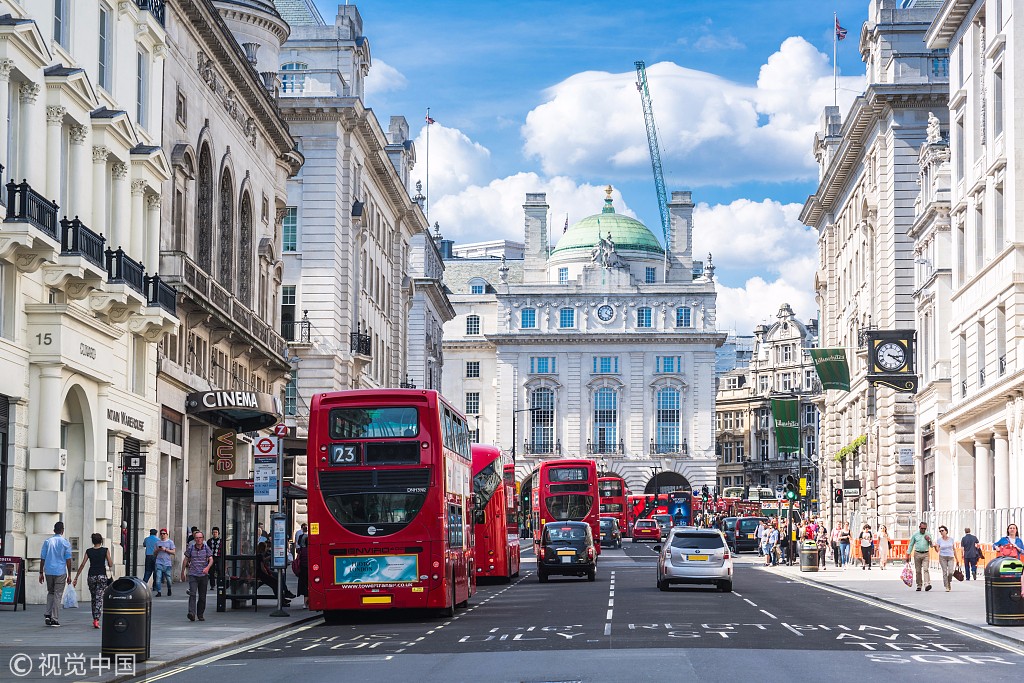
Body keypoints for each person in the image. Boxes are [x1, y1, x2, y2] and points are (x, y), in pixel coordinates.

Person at [72, 533, 113, 629]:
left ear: (93, 541)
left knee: (93, 597)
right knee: (99, 598)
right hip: (102, 576)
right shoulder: (105, 550)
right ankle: (96, 619)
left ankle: (94, 617)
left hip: (92, 576)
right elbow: (110, 564)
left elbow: (82, 564)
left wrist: (76, 577)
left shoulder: (89, 551)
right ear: (101, 541)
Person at [39, 521, 73, 627]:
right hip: (60, 572)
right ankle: (54, 618)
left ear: (54, 530)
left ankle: (48, 614)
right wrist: (69, 574)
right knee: (58, 595)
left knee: (51, 592)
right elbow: (68, 560)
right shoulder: (65, 543)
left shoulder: (47, 542)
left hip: (48, 571)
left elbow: (42, 558)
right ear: (62, 531)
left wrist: (41, 572)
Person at [181, 530, 213, 621]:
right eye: (197, 538)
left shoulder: (206, 548)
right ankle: (191, 613)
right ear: (194, 539)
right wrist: (182, 572)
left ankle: (200, 614)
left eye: (200, 538)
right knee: (192, 594)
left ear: (203, 539)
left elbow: (211, 559)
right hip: (193, 574)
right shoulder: (191, 548)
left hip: (203, 575)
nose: (198, 540)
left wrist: (207, 568)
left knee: (202, 597)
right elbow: (185, 560)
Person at [905, 521, 934, 591]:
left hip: (925, 554)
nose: (923, 530)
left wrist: (929, 540)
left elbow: (932, 545)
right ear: (919, 527)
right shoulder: (915, 535)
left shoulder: (928, 534)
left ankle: (927, 584)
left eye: (925, 529)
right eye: (922, 528)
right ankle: (919, 585)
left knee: (926, 569)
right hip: (917, 553)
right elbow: (911, 544)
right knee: (918, 571)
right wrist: (908, 554)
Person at [153, 528, 175, 596]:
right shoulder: (157, 542)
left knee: (168, 578)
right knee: (158, 577)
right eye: (161, 534)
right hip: (159, 562)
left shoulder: (170, 542)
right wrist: (158, 550)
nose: (162, 535)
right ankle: (159, 591)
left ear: (167, 534)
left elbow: (173, 552)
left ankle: (169, 589)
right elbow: (154, 553)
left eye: (164, 533)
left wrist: (165, 549)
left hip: (167, 563)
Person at [935, 525, 958, 592]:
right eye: (940, 531)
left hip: (951, 557)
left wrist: (957, 559)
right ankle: (947, 586)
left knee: (950, 572)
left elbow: (954, 549)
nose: (941, 532)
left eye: (942, 530)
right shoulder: (939, 540)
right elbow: (937, 550)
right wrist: (935, 547)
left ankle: (949, 582)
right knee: (944, 572)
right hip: (942, 557)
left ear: (946, 531)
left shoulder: (951, 539)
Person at [296, 534, 309, 609]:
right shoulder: (313, 549)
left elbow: (299, 560)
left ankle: (305, 603)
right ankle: (308, 602)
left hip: (303, 570)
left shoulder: (302, 550)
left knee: (304, 586)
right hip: (311, 570)